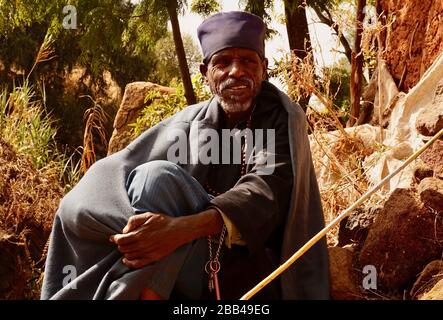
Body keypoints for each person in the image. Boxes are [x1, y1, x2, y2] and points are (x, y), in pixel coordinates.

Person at [41, 11, 329, 300]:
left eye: (247, 61)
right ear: (205, 74)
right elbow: (117, 168)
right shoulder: (192, 121)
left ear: (263, 68)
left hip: (245, 271)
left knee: (158, 181)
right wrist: (140, 233)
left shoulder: (281, 118)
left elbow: (263, 190)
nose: (236, 71)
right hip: (184, 262)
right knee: (153, 179)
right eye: (223, 62)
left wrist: (178, 231)